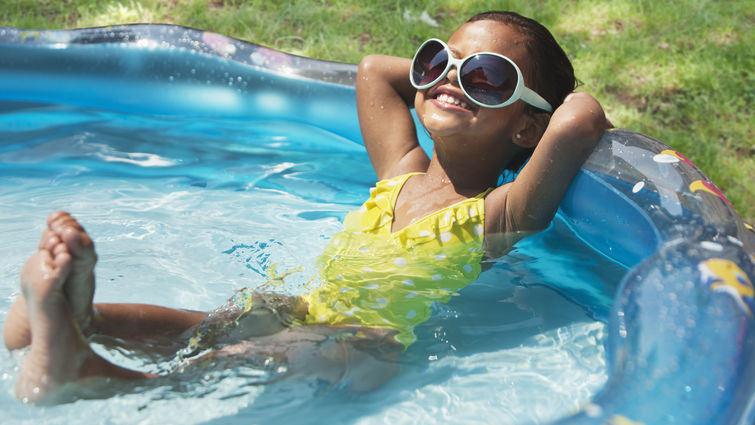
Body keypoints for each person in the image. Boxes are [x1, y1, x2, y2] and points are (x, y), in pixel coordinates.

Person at [3, 11, 608, 403]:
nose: (450, 80)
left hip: (365, 342)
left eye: (488, 79)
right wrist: (460, 78)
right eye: (438, 63)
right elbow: (373, 72)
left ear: (529, 127)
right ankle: (79, 317)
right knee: (223, 319)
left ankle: (95, 379)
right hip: (306, 305)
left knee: (247, 354)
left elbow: (579, 115)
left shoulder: (498, 215)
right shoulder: (401, 173)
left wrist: (530, 105)